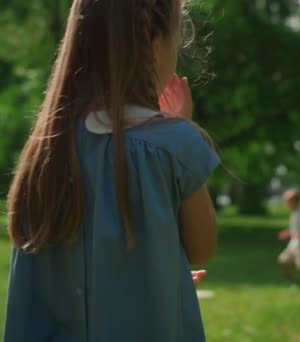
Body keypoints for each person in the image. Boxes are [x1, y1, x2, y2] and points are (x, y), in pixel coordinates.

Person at [3, 1, 219, 341]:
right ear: (152, 41)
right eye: (178, 35)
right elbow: (202, 248)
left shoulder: (45, 151)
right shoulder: (173, 144)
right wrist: (181, 131)